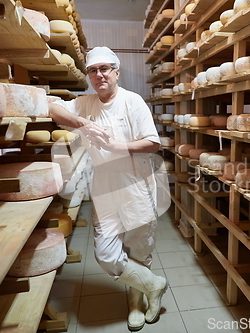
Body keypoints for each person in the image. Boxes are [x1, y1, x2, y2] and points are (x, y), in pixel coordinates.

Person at [48, 46, 168, 331]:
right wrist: (81, 124)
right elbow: (51, 106)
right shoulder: (85, 103)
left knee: (140, 250)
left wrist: (119, 146)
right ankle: (155, 285)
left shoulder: (132, 101)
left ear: (116, 72)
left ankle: (137, 304)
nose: (99, 74)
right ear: (88, 75)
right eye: (92, 70)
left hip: (135, 185)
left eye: (104, 69)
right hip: (104, 187)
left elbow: (153, 143)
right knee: (106, 254)